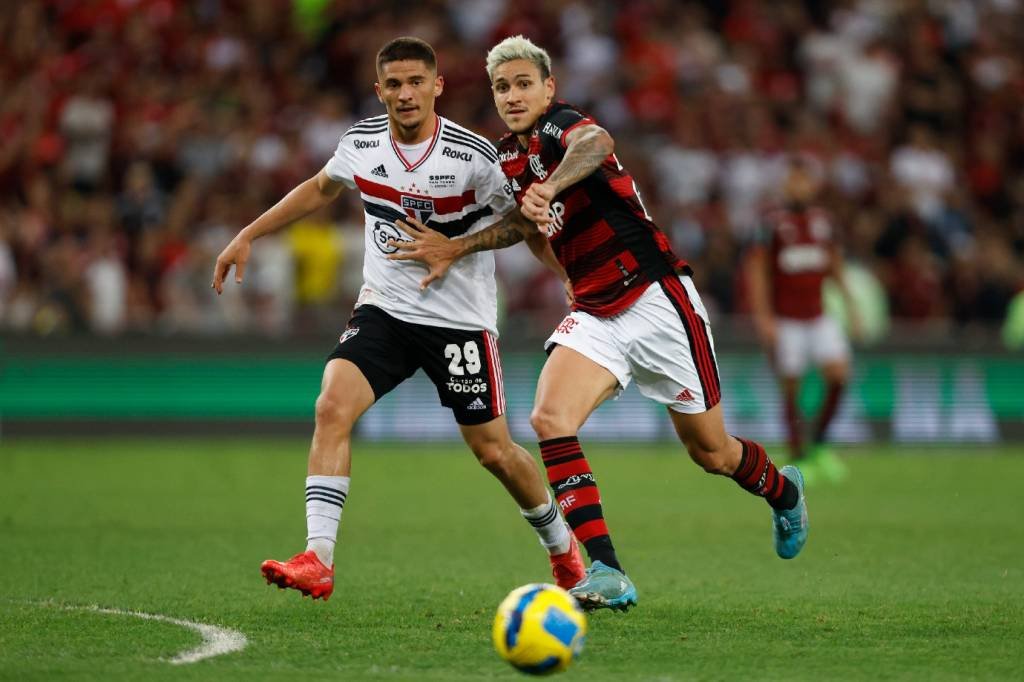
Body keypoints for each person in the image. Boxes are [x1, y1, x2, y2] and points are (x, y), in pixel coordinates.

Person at [388, 35, 810, 612]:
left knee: (711, 452)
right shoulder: (508, 157)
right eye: (502, 87)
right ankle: (608, 570)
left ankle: (784, 492)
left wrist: (552, 185)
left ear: (548, 88)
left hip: (657, 296)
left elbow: (595, 142)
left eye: (523, 84)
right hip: (594, 309)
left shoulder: (565, 127)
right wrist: (459, 248)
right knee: (548, 418)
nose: (512, 95)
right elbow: (525, 225)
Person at [210, 37, 584, 601]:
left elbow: (524, 227)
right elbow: (319, 188)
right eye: (394, 84)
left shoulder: (475, 157)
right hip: (385, 309)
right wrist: (248, 233)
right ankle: (319, 557)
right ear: (378, 89)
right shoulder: (360, 143)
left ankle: (563, 549)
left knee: (494, 452)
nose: (405, 94)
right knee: (331, 405)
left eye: (416, 82)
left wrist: (556, 276)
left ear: (438, 86)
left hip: (458, 320)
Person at [748, 158, 858, 484]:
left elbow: (834, 264)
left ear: (813, 185)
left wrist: (850, 303)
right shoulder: (773, 224)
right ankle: (799, 456)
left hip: (819, 315)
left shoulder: (824, 221)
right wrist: (764, 317)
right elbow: (757, 273)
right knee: (791, 386)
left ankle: (820, 444)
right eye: (793, 181)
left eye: (804, 181)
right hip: (787, 320)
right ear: (786, 185)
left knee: (839, 375)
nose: (798, 187)